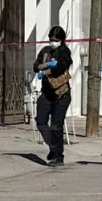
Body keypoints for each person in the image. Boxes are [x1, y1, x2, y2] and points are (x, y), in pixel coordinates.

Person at [33, 26, 74, 166]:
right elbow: (35, 66)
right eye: (51, 40)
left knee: (56, 125)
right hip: (46, 92)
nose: (53, 42)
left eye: (56, 40)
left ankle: (58, 155)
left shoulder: (64, 52)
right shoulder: (45, 51)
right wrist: (45, 65)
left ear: (61, 40)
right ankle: (53, 146)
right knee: (41, 121)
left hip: (61, 93)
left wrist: (45, 69)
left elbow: (60, 68)